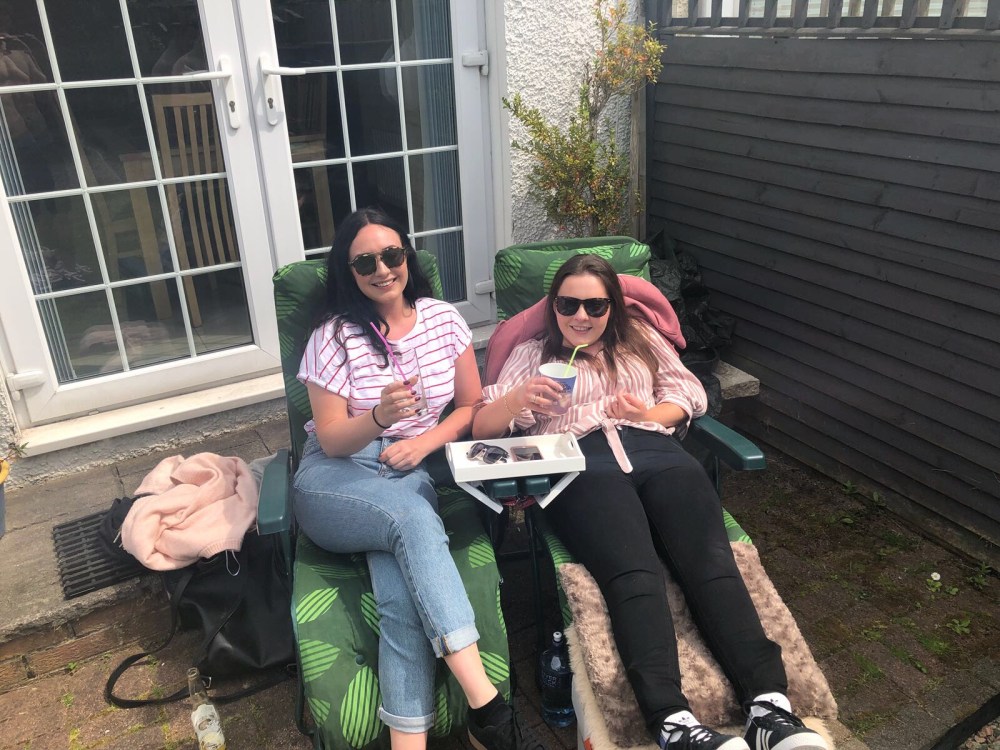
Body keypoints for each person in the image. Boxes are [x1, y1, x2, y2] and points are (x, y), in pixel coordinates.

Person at [473, 254, 829, 750]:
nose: (581, 316)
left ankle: (769, 708)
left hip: (657, 451)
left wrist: (647, 414)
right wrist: (518, 402)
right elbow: (482, 427)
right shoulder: (533, 354)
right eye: (568, 304)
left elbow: (687, 394)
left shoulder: (640, 339)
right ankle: (672, 722)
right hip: (580, 463)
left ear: (613, 307)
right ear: (553, 307)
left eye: (595, 306)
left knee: (711, 563)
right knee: (633, 573)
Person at [292, 207, 543, 750]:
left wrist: (424, 443)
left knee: (403, 599)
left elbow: (470, 406)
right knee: (413, 520)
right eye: (365, 262)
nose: (382, 269)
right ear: (348, 272)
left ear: (407, 255)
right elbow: (332, 439)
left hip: (410, 465)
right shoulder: (334, 336)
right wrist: (379, 417)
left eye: (391, 255)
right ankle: (489, 710)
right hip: (335, 475)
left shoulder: (444, 321)